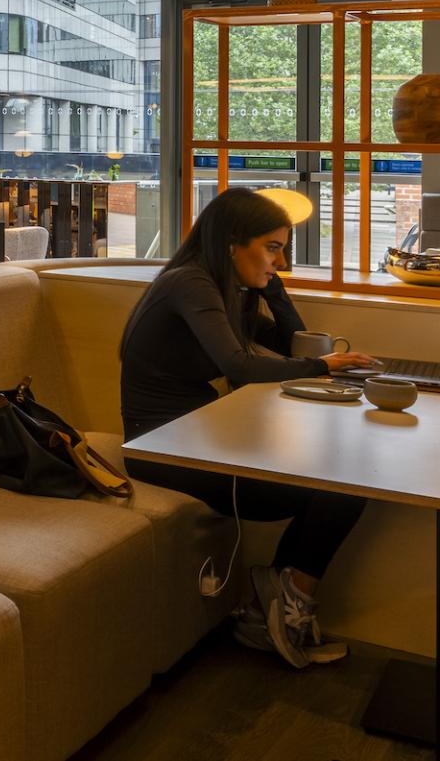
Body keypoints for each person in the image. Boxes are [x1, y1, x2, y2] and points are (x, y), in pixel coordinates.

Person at [121, 187, 378, 669]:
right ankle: (280, 608)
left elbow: (292, 345)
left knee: (342, 482)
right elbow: (240, 366)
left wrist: (272, 287)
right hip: (162, 452)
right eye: (273, 248)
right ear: (231, 244)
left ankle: (271, 608)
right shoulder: (189, 284)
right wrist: (324, 367)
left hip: (198, 439)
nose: (278, 260)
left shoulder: (221, 288)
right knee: (341, 490)